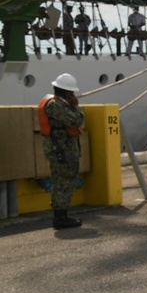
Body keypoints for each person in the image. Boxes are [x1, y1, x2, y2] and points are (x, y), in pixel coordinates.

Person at [38, 73, 85, 230]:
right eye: (71, 93)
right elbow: (76, 120)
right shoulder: (55, 105)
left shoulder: (56, 104)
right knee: (64, 181)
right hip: (62, 150)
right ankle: (61, 217)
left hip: (61, 149)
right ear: (67, 93)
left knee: (61, 181)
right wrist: (76, 106)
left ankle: (61, 215)